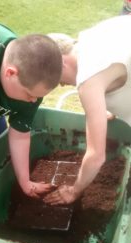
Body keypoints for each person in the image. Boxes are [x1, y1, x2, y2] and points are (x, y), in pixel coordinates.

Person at [0, 16, 62, 198]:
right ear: (10, 73)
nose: (33, 101)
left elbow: (20, 135)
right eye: (29, 95)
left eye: (38, 97)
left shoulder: (33, 77)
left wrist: (25, 183)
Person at [44, 15, 131, 205]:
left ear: (63, 61)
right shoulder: (92, 37)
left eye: (57, 79)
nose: (60, 85)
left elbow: (96, 155)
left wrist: (74, 191)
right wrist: (110, 112)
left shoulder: (87, 78)